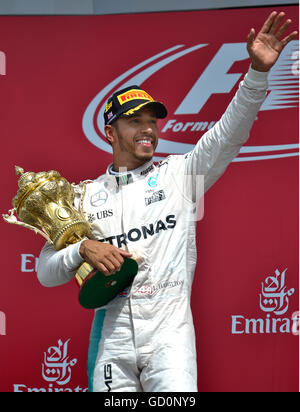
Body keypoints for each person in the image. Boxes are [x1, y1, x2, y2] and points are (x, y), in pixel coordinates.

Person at [37, 11, 297, 392]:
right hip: (114, 344)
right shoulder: (86, 196)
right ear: (110, 132)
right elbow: (46, 272)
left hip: (169, 339)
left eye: (153, 121)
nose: (147, 129)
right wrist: (81, 248)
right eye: (134, 121)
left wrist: (257, 74)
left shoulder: (180, 175)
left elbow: (229, 133)